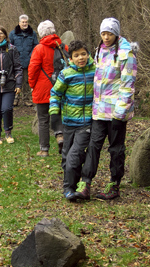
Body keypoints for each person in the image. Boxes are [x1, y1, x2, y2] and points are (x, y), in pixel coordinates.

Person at [75, 18, 138, 201]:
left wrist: (120, 113)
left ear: (116, 34)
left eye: (109, 33)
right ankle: (85, 183)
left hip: (117, 112)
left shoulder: (126, 54)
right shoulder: (99, 51)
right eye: (103, 33)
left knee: (116, 149)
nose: (106, 37)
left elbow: (128, 85)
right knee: (93, 146)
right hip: (99, 110)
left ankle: (114, 184)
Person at [49, 40, 96, 202]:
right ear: (71, 58)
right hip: (68, 123)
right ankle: (71, 185)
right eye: (76, 55)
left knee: (74, 156)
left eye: (83, 54)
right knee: (66, 156)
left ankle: (69, 188)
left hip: (86, 123)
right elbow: (55, 93)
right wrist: (54, 113)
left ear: (88, 55)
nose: (80, 58)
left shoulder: (95, 72)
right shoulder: (66, 74)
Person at [28, 20, 68, 156]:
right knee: (58, 114)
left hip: (43, 88)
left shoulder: (39, 49)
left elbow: (32, 70)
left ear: (41, 34)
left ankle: (44, 149)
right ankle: (60, 136)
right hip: (60, 88)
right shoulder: (62, 47)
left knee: (43, 119)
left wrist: (32, 85)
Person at [9, 14, 38, 106]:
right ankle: (15, 99)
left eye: (26, 22)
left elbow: (36, 46)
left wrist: (31, 56)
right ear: (19, 23)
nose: (25, 24)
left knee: (26, 81)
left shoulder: (32, 33)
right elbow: (10, 47)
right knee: (16, 80)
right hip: (16, 62)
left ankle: (26, 99)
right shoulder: (13, 34)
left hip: (28, 61)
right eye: (23, 22)